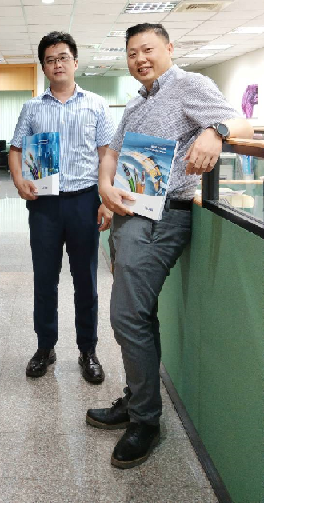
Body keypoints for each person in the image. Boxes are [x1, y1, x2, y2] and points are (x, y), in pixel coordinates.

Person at [88, 23, 254, 468]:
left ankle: (145, 420)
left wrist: (215, 131)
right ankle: (137, 398)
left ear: (168, 48)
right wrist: (105, 188)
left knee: (127, 316)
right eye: (132, 53)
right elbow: (112, 153)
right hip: (129, 212)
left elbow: (241, 121)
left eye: (148, 49)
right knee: (137, 315)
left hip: (161, 218)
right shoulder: (138, 101)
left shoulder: (189, 85)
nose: (140, 59)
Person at [8, 31, 115, 384]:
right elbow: (15, 150)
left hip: (84, 200)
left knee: (86, 281)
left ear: (75, 62)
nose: (57, 64)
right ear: (43, 67)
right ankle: (45, 347)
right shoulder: (32, 108)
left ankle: (88, 350)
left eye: (63, 58)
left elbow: (106, 155)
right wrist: (19, 180)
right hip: (45, 204)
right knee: (45, 279)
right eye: (50, 60)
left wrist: (107, 200)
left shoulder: (96, 104)